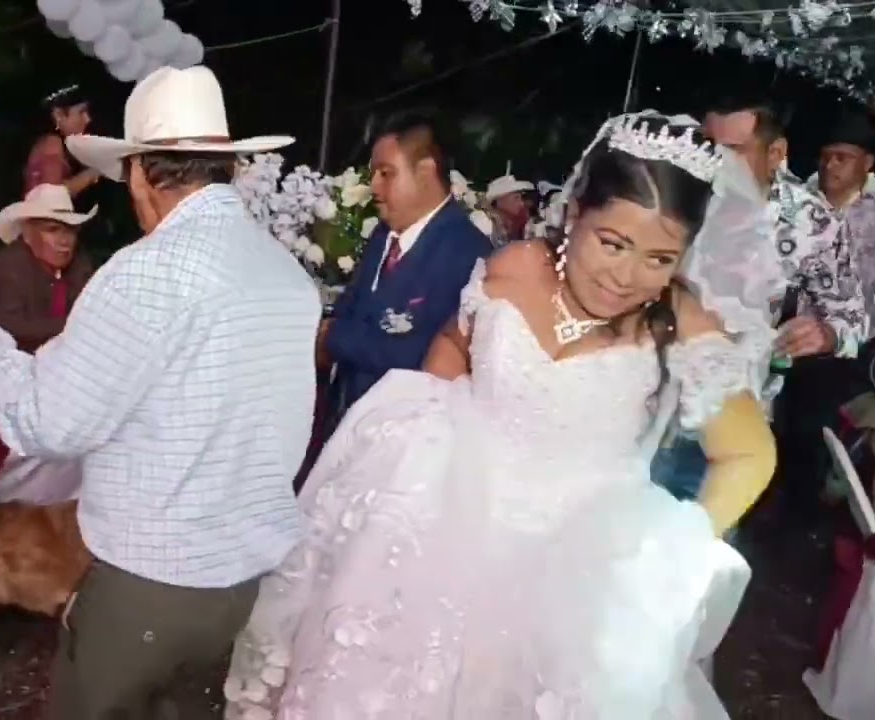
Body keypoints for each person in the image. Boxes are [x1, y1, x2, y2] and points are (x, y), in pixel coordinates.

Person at [224, 113, 777, 718]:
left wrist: (670, 550)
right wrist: (424, 432)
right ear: (574, 217)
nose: (627, 275)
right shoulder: (512, 267)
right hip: (443, 523)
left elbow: (751, 454)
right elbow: (456, 344)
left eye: (659, 258)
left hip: (570, 566)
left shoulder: (681, 322)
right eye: (612, 244)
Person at [0, 65, 320, 719]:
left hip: (151, 588)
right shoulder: (285, 274)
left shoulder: (144, 274)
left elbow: (45, 423)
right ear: (225, 167)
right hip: (242, 588)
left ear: (142, 173)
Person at [649, 96, 869, 506]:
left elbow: (853, 318)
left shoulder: (809, 221)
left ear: (776, 153)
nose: (713, 160)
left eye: (732, 150)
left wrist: (825, 334)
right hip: (641, 394)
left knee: (689, 547)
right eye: (707, 144)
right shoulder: (675, 191)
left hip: (725, 415)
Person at [323, 110, 486, 418]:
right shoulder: (383, 235)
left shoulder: (467, 252)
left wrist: (335, 337)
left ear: (425, 171)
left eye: (386, 173)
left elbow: (429, 354)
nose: (374, 187)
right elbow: (352, 305)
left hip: (402, 433)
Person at [815, 110, 875, 335]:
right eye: (825, 157)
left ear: (867, 162)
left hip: (857, 341)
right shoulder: (798, 202)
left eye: (841, 158)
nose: (829, 166)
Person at [0, 184, 96, 352]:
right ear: (27, 233)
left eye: (71, 231)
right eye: (53, 230)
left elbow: (94, 311)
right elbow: (9, 330)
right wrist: (77, 326)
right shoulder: (10, 268)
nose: (65, 241)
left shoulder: (80, 263)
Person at [24, 84, 101, 202]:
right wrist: (97, 170)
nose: (88, 118)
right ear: (58, 115)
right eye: (81, 112)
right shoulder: (51, 144)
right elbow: (51, 196)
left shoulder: (48, 141)